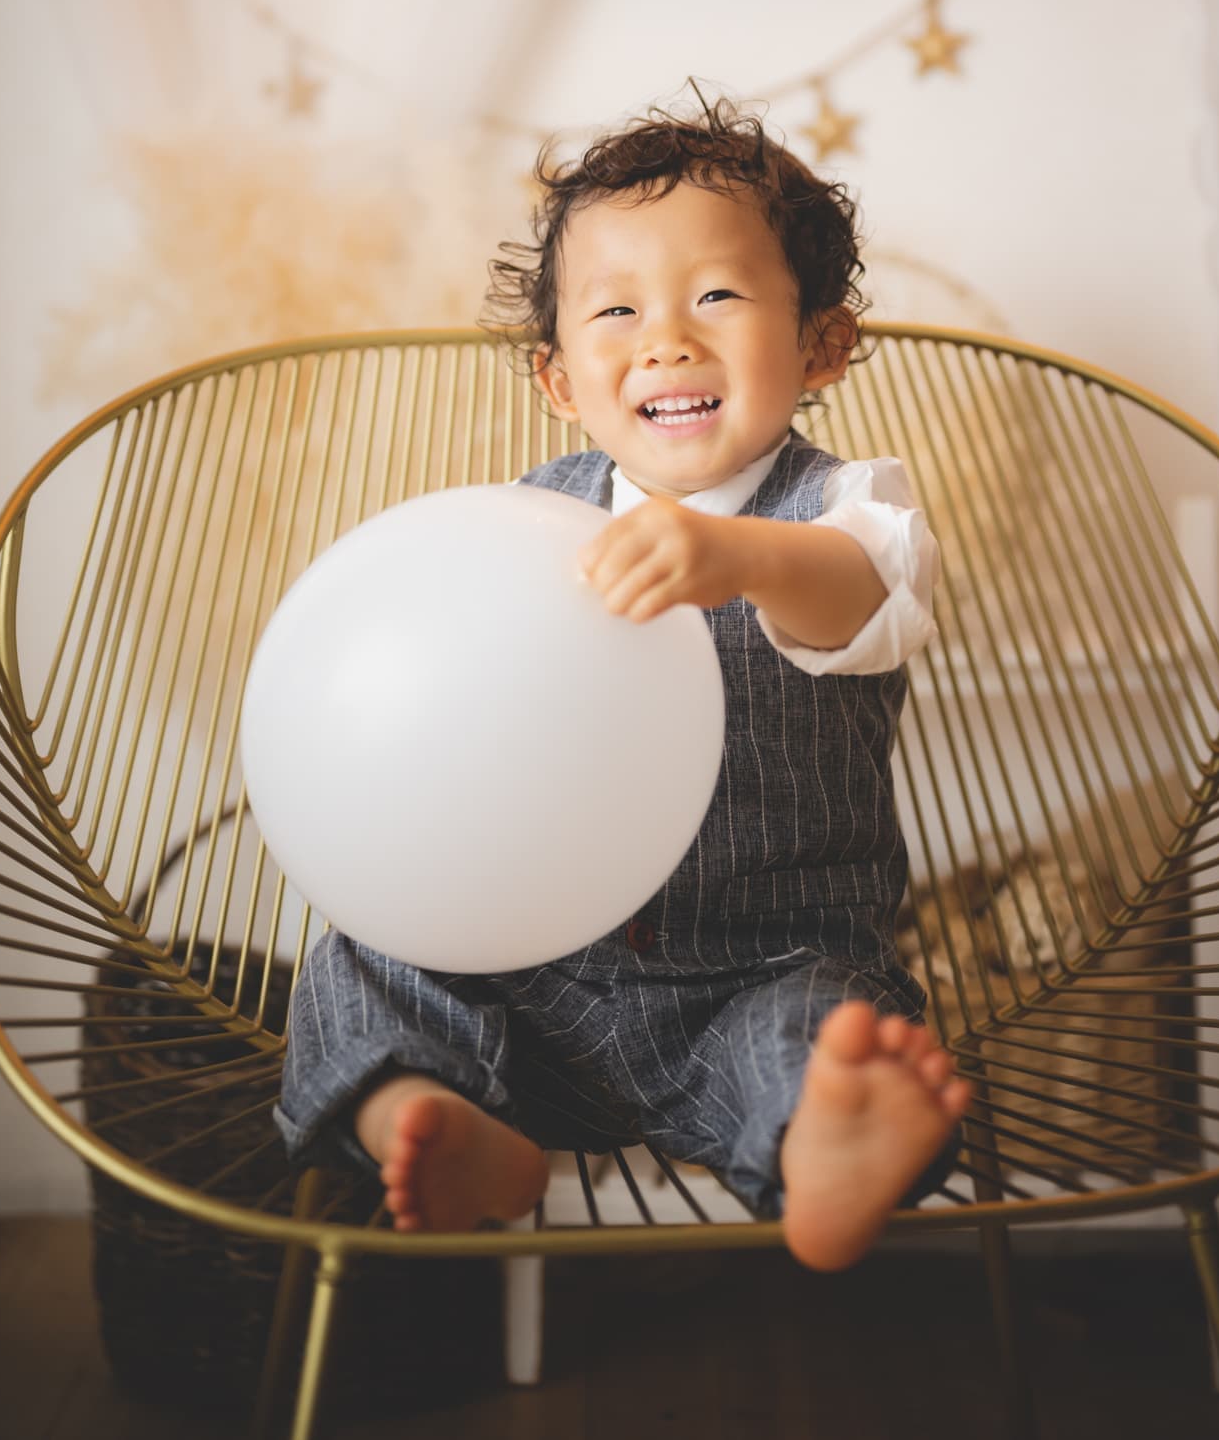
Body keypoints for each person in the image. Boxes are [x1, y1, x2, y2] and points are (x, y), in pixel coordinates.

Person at [277, 98, 969, 1270]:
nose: (667, 341)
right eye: (617, 310)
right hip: (533, 971)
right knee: (368, 955)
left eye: (718, 295)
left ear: (823, 345)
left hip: (758, 968)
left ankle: (824, 1147)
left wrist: (736, 556)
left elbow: (863, 592)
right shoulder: (519, 523)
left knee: (827, 1032)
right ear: (557, 379)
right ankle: (432, 1115)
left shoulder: (847, 511)